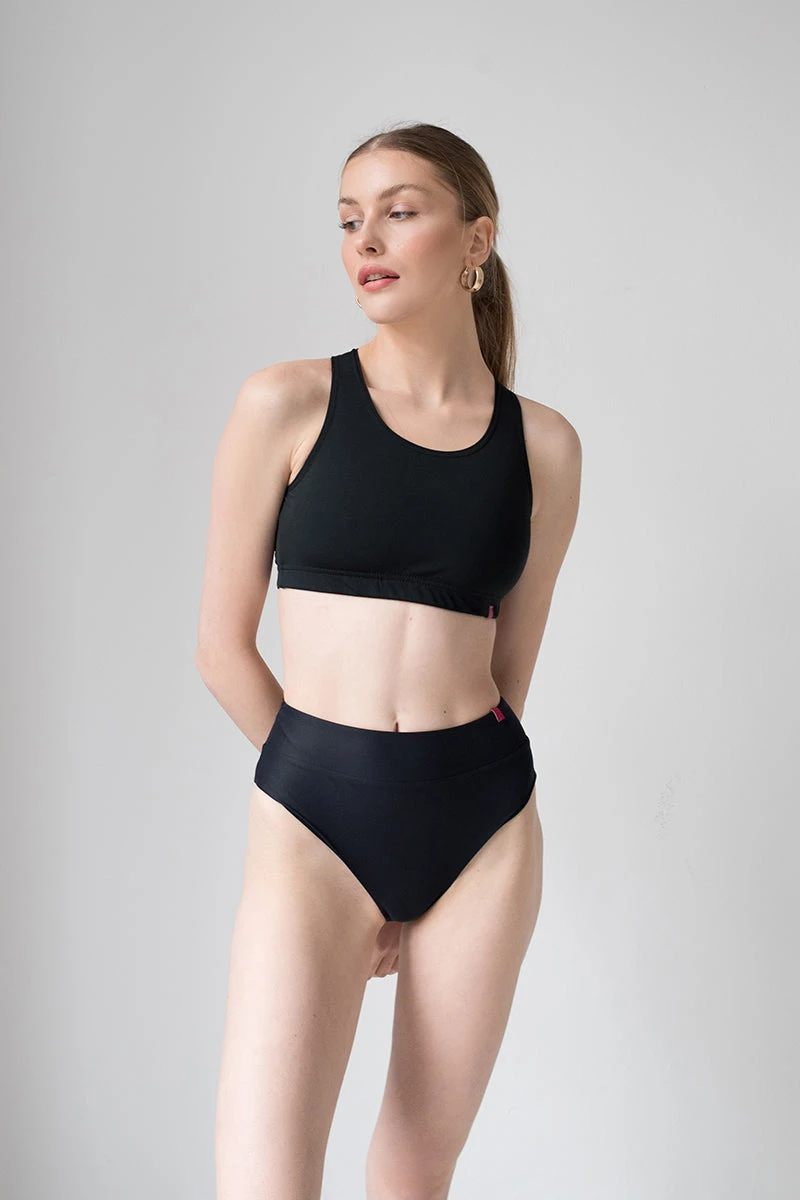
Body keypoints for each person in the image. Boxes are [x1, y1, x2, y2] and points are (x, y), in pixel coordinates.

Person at [195, 121, 582, 1200]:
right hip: (313, 816)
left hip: (481, 828)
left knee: (413, 1176)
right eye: (347, 219)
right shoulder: (286, 402)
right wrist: (330, 783)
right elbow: (220, 648)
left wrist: (434, 809)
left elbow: (511, 670)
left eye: (399, 212)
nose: (364, 239)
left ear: (475, 241)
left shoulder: (543, 447)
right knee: (263, 1182)